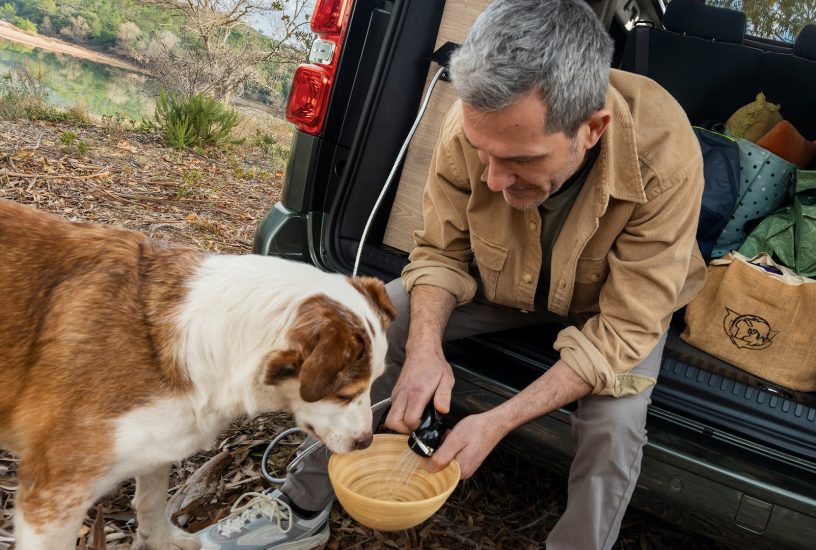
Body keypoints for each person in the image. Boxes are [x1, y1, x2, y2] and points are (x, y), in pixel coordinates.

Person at [196, 0, 706, 548]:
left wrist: (499, 420)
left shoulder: (664, 154)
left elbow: (624, 332)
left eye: (521, 160)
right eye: (484, 153)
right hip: (500, 284)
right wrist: (423, 351)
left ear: (592, 128)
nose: (494, 180)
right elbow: (439, 255)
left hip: (611, 308)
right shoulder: (472, 124)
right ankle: (299, 508)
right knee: (372, 323)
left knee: (615, 424)